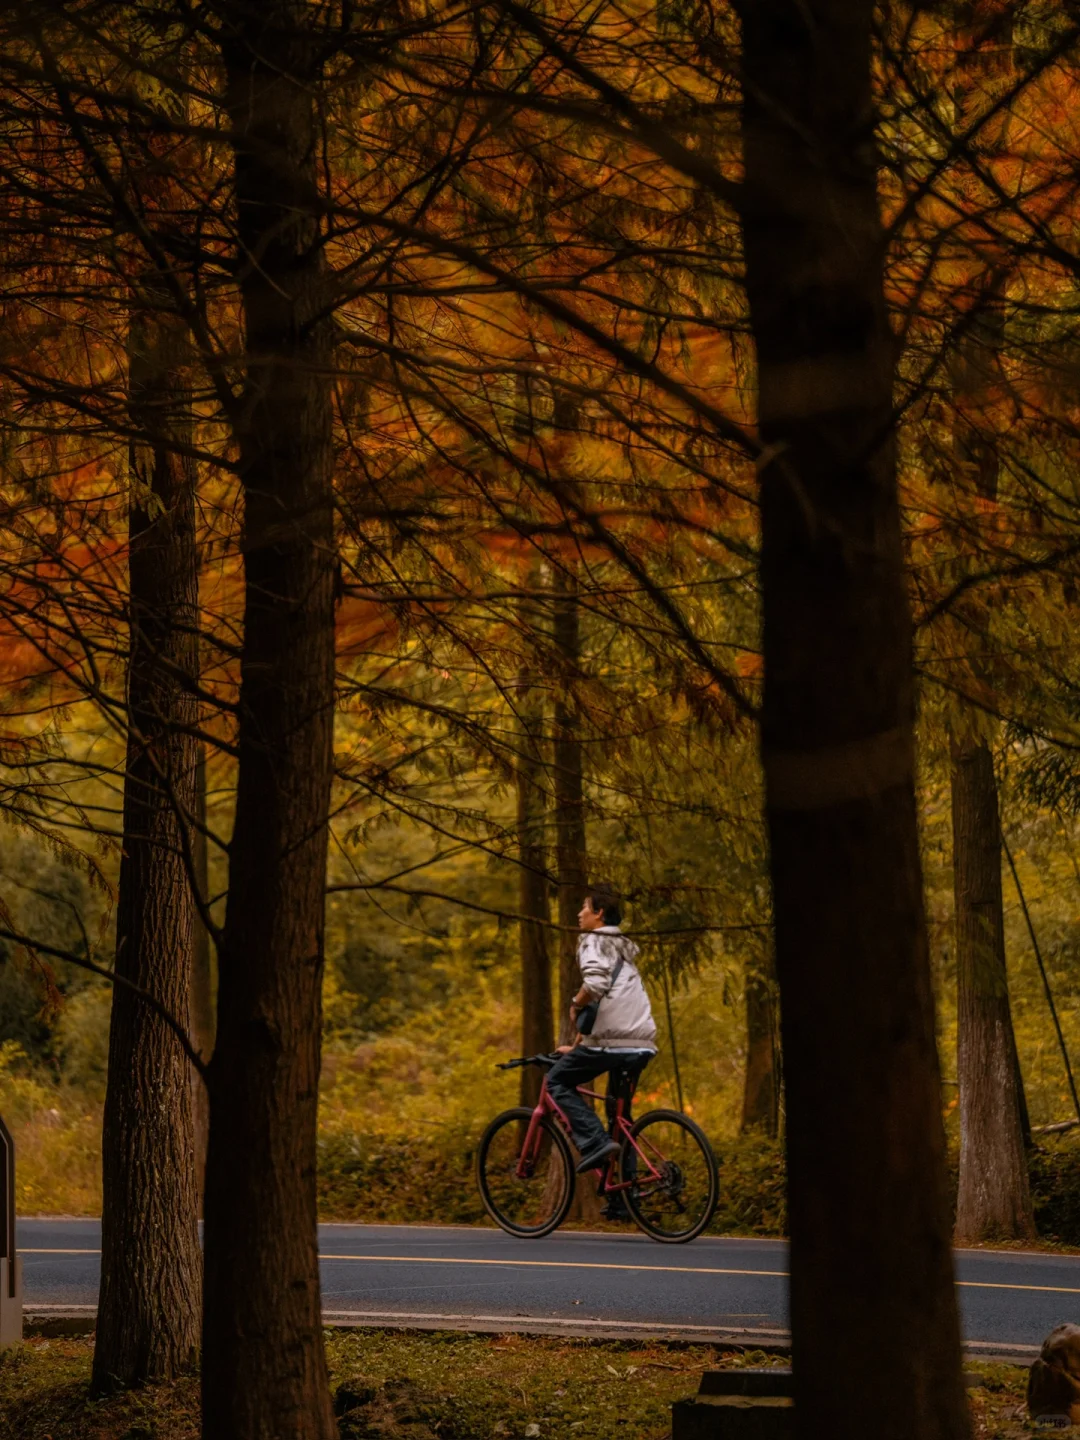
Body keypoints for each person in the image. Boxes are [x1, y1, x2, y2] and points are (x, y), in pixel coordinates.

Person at [546, 883, 657, 1180]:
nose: (580, 913)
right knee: (620, 1119)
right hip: (639, 1044)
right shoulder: (622, 947)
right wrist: (580, 1045)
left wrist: (574, 1002)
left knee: (555, 1081)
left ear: (600, 913)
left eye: (585, 907)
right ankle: (624, 1196)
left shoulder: (594, 941)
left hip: (613, 1044)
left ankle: (595, 1143)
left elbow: (595, 987)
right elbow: (611, 1002)